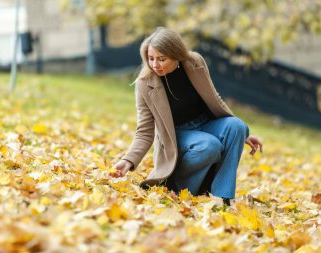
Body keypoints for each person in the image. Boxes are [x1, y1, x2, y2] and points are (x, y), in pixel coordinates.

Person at [111, 27, 262, 204]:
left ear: (177, 56)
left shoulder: (195, 62)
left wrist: (242, 134)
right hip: (175, 135)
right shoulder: (145, 84)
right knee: (209, 145)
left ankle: (222, 197)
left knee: (238, 126)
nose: (154, 65)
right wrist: (128, 160)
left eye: (161, 59)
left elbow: (214, 98)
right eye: (151, 59)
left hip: (204, 123)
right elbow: (144, 131)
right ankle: (180, 189)